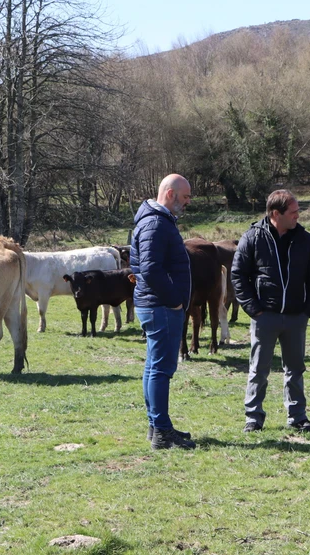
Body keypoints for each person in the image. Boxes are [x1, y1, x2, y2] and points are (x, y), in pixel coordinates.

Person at [231, 189, 310, 434]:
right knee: (259, 369)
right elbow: (238, 275)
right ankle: (253, 417)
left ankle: (298, 417)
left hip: (296, 317)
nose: (298, 216)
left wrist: (308, 310)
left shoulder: (305, 239)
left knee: (295, 369)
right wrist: (254, 309)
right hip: (265, 317)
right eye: (293, 212)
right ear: (276, 213)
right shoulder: (252, 237)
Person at [130, 173, 195, 450]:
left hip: (154, 304)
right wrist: (174, 300)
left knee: (153, 367)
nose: (188, 202)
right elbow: (150, 269)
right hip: (160, 307)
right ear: (170, 194)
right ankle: (162, 432)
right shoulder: (156, 223)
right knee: (161, 369)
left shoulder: (155, 221)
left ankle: (157, 425)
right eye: (185, 197)